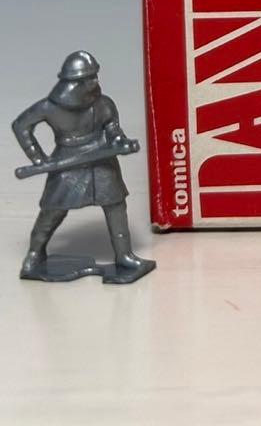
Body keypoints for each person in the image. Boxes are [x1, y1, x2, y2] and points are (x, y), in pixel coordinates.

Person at [12, 51, 155, 283]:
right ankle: (35, 254)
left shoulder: (104, 104)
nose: (95, 81)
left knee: (116, 206)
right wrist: (37, 157)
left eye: (95, 76)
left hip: (102, 160)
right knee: (52, 210)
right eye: (90, 78)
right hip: (67, 161)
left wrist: (121, 142)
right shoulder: (49, 107)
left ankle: (124, 256)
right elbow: (21, 125)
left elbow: (113, 130)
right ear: (74, 82)